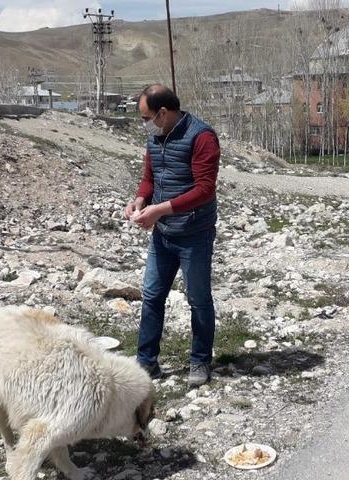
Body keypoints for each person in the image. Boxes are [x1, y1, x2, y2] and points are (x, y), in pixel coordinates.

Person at [125, 84, 220, 387]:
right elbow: (149, 179)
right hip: (163, 234)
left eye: (146, 117)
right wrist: (140, 201)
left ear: (163, 113)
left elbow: (204, 190)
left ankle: (200, 360)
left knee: (198, 299)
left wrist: (160, 210)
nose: (145, 124)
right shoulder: (156, 138)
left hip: (194, 234)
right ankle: (146, 362)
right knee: (152, 296)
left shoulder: (202, 137)